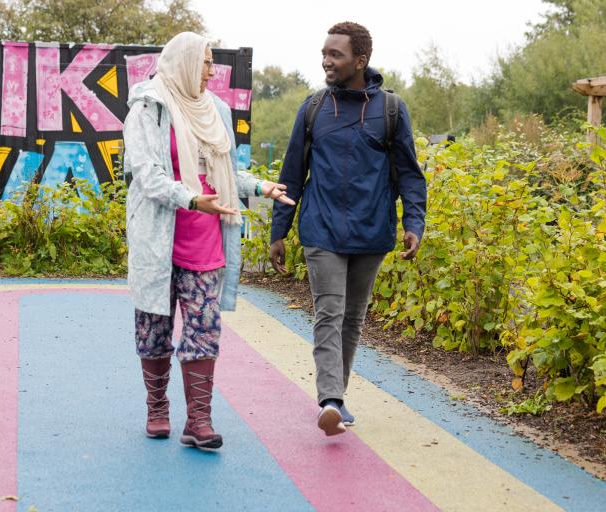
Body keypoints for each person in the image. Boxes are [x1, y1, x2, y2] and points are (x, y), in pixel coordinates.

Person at [123, 32, 294, 450]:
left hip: (205, 240)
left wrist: (260, 187)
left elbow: (225, 173)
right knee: (153, 328)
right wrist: (191, 199)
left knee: (204, 328)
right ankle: (157, 408)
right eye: (205, 62)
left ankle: (198, 421)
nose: (211, 71)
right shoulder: (147, 107)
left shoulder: (214, 109)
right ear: (183, 62)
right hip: (158, 239)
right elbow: (146, 174)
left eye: (212, 62)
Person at [269, 22, 427, 436]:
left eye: (335, 54)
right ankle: (330, 399)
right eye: (324, 53)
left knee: (353, 317)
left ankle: (336, 396)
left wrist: (414, 223)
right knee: (329, 311)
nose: (326, 61)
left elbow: (410, 174)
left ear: (360, 60)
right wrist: (278, 231)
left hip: (371, 231)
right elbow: (292, 173)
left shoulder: (391, 110)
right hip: (321, 228)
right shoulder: (313, 108)